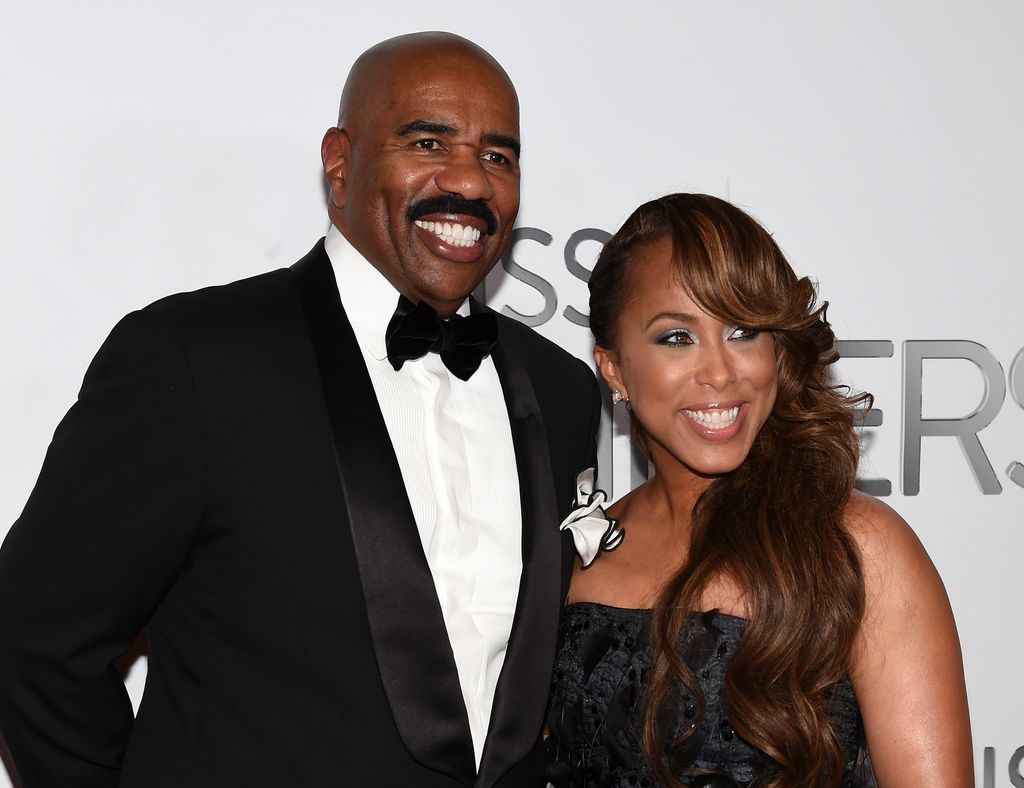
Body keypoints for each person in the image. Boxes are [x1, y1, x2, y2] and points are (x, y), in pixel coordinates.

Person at [0, 32, 600, 788]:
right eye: (427, 140)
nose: (470, 183)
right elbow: (34, 636)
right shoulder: (194, 360)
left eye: (498, 156)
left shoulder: (562, 388)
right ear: (340, 159)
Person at [543, 194, 973, 787]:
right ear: (614, 369)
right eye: (676, 338)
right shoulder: (575, 553)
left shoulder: (861, 549)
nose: (721, 372)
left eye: (743, 331)